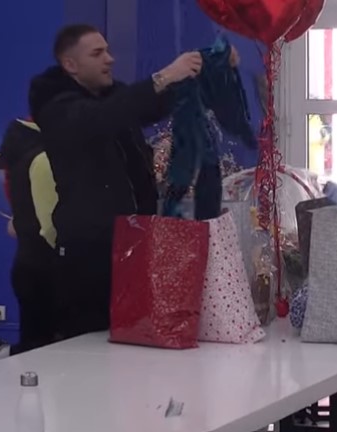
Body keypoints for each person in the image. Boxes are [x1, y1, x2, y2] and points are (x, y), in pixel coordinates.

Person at [28, 24, 240, 340]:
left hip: (131, 242)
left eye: (108, 50)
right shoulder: (56, 107)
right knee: (86, 348)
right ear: (70, 64)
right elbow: (102, 117)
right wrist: (164, 75)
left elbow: (152, 104)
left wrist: (207, 69)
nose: (110, 59)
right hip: (88, 255)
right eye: (97, 53)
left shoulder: (111, 96)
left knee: (131, 341)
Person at [0, 119, 58, 364]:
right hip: (46, 263)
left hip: (30, 262)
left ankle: (3, 354)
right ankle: (2, 354)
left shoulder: (21, 155)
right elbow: (50, 225)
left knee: (41, 348)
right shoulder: (44, 158)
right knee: (49, 349)